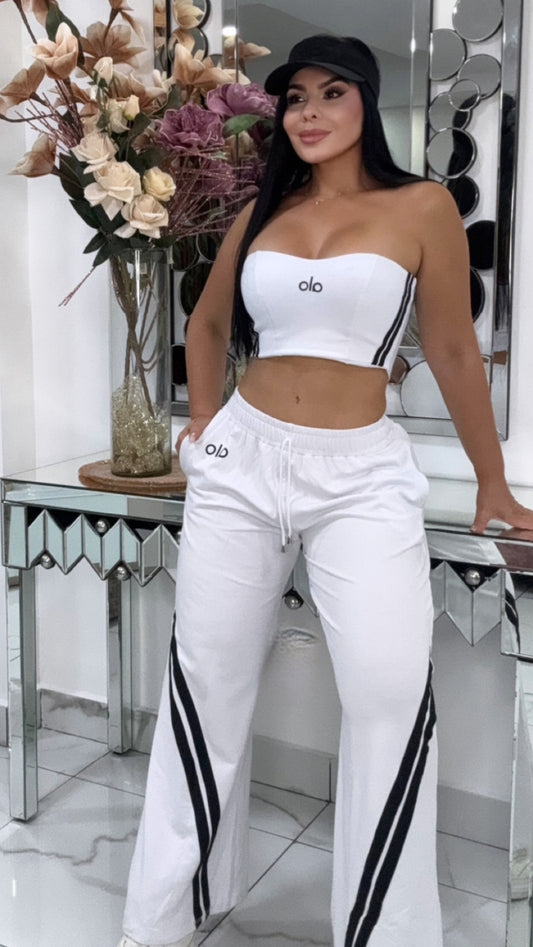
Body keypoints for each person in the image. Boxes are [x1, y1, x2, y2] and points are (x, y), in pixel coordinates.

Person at [118, 34, 533, 947]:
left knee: (387, 693)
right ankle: (163, 918)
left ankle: (385, 931)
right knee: (204, 688)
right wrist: (206, 425)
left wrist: (492, 483)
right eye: (295, 97)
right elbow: (206, 323)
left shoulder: (420, 205)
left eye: (331, 93)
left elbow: (453, 348)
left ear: (366, 103)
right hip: (242, 467)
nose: (308, 112)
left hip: (359, 476)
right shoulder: (260, 210)